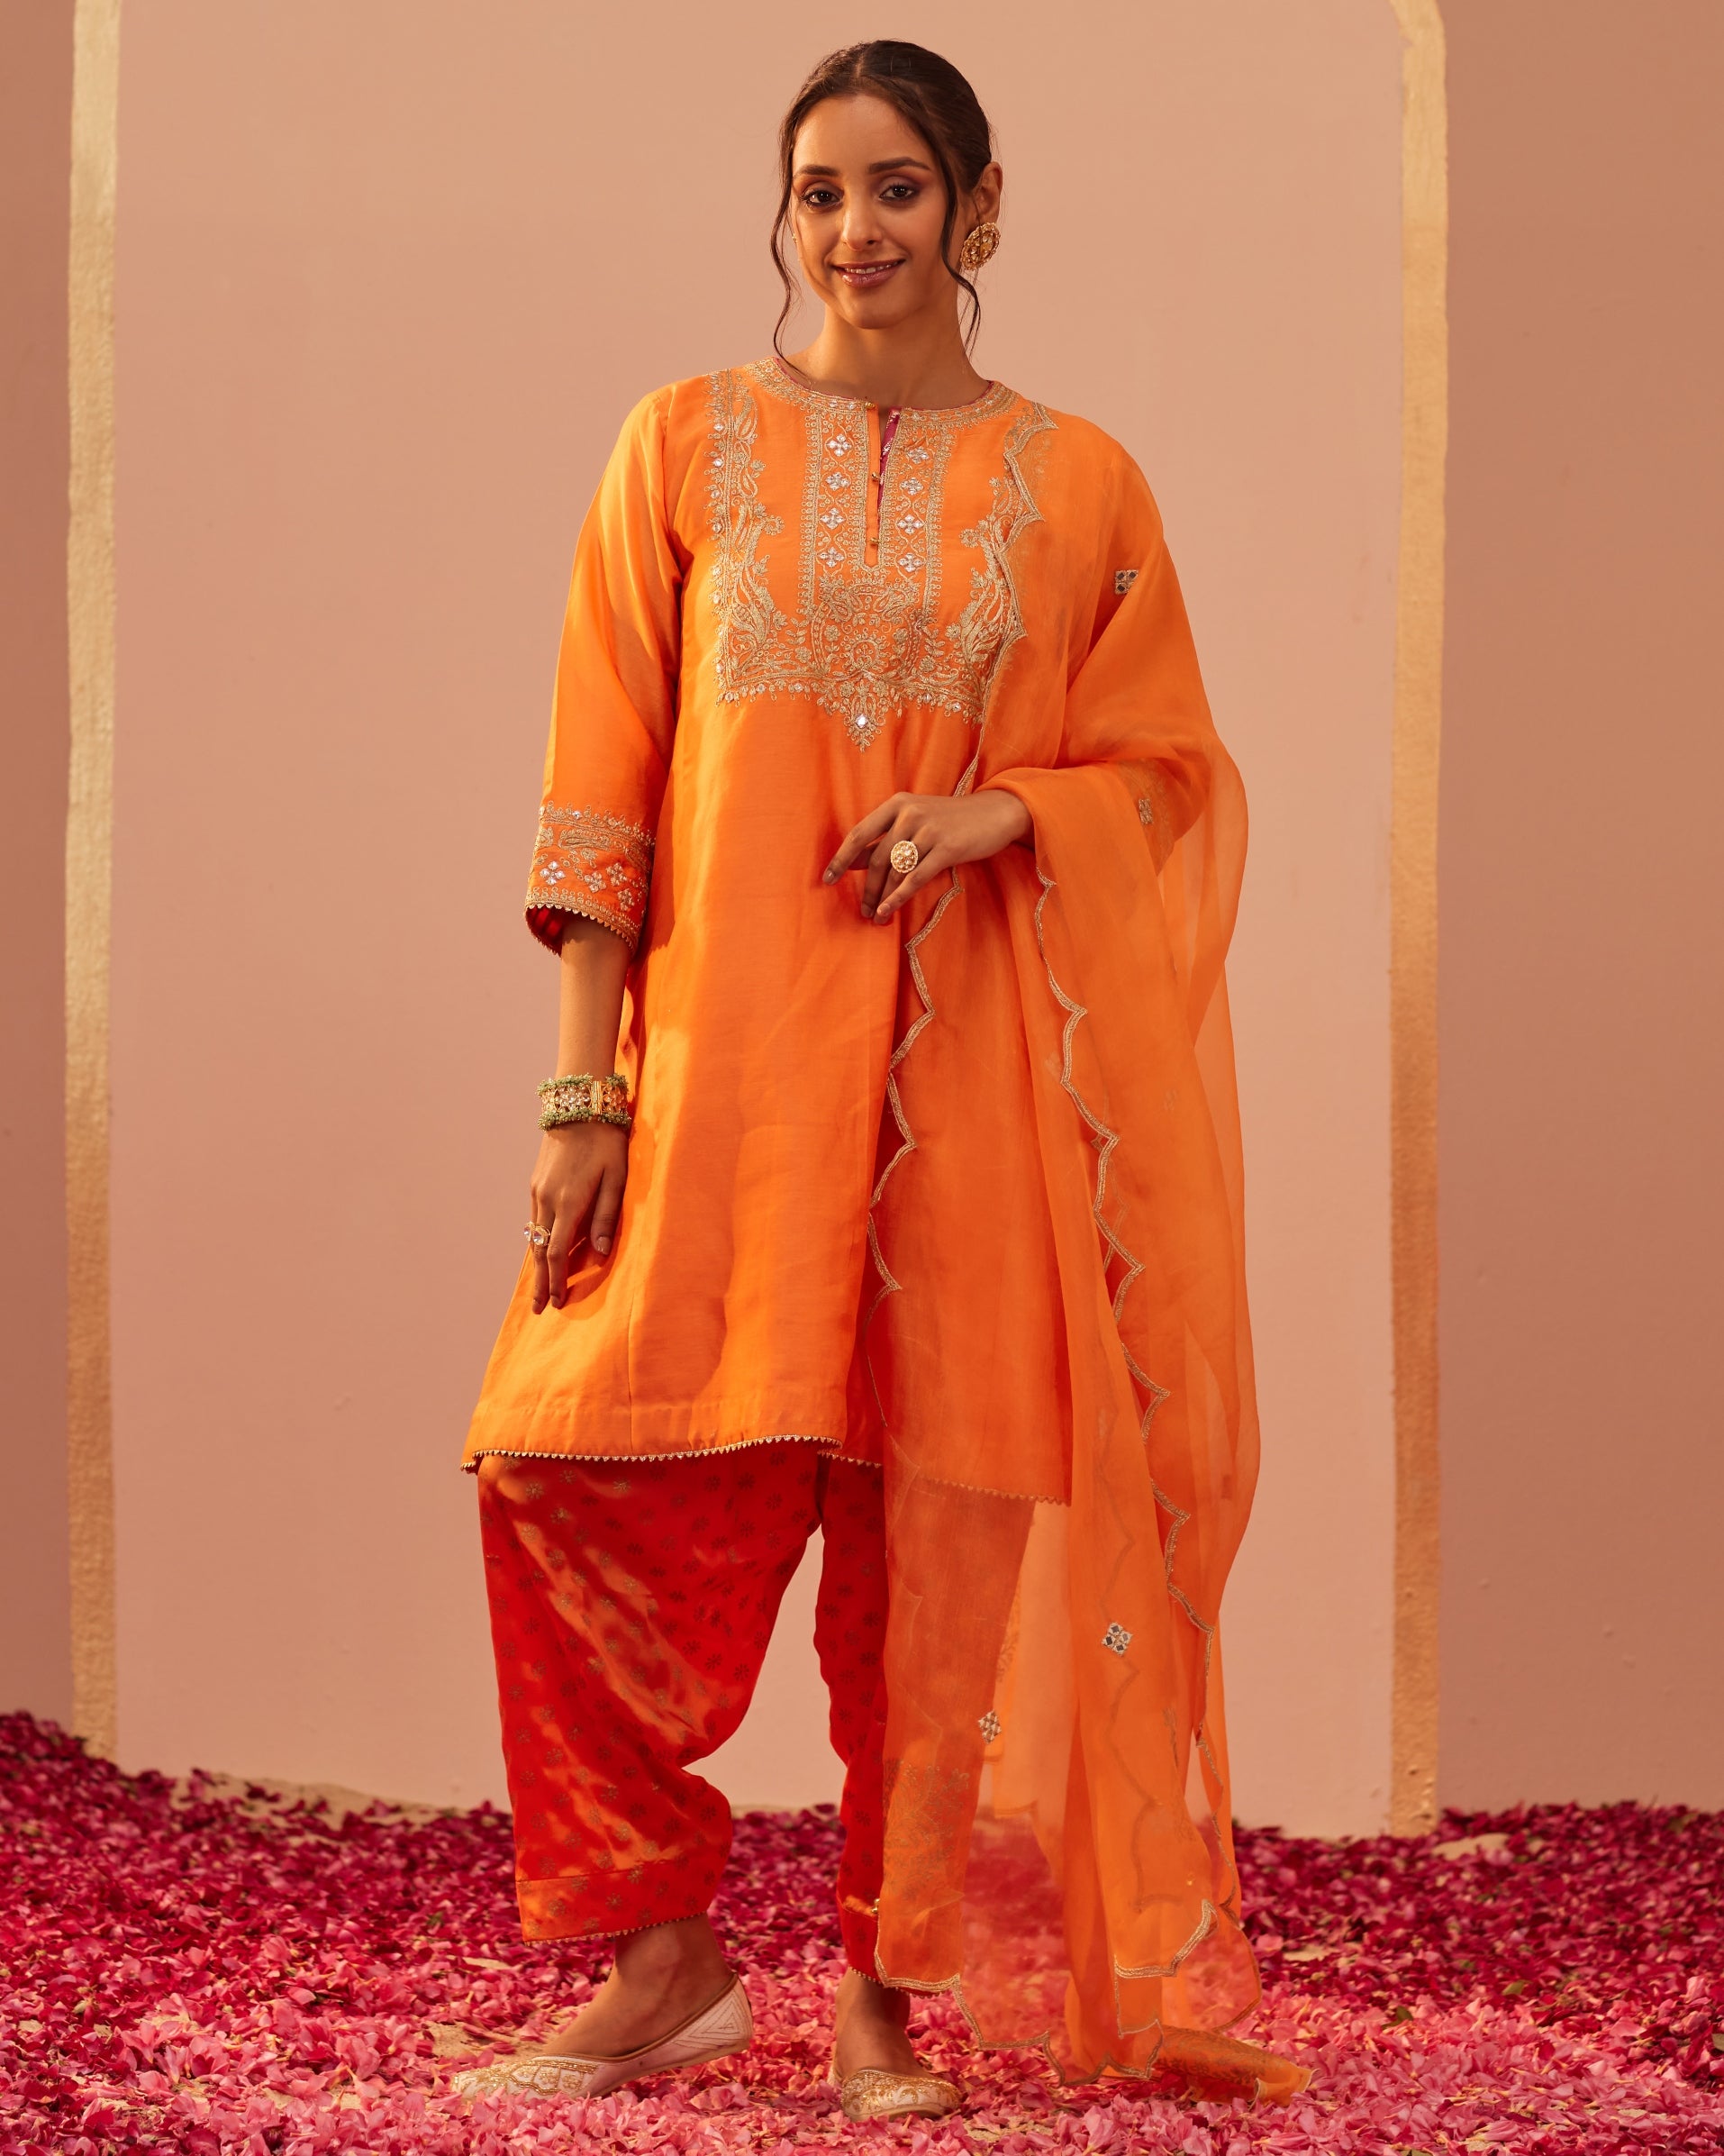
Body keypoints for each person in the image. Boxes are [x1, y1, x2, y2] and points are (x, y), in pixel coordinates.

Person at [452, 38, 1306, 2122]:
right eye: (821, 190)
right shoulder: (678, 447)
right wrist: (582, 1101)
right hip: (723, 1083)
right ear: (786, 215)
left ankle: (884, 1997)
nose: (857, 229)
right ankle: (662, 1957)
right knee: (553, 1466)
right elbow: (602, 789)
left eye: (900, 187)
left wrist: (1004, 809)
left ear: (979, 208)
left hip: (969, 1097)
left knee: (933, 1546)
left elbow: (1168, 771)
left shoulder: (1082, 483)